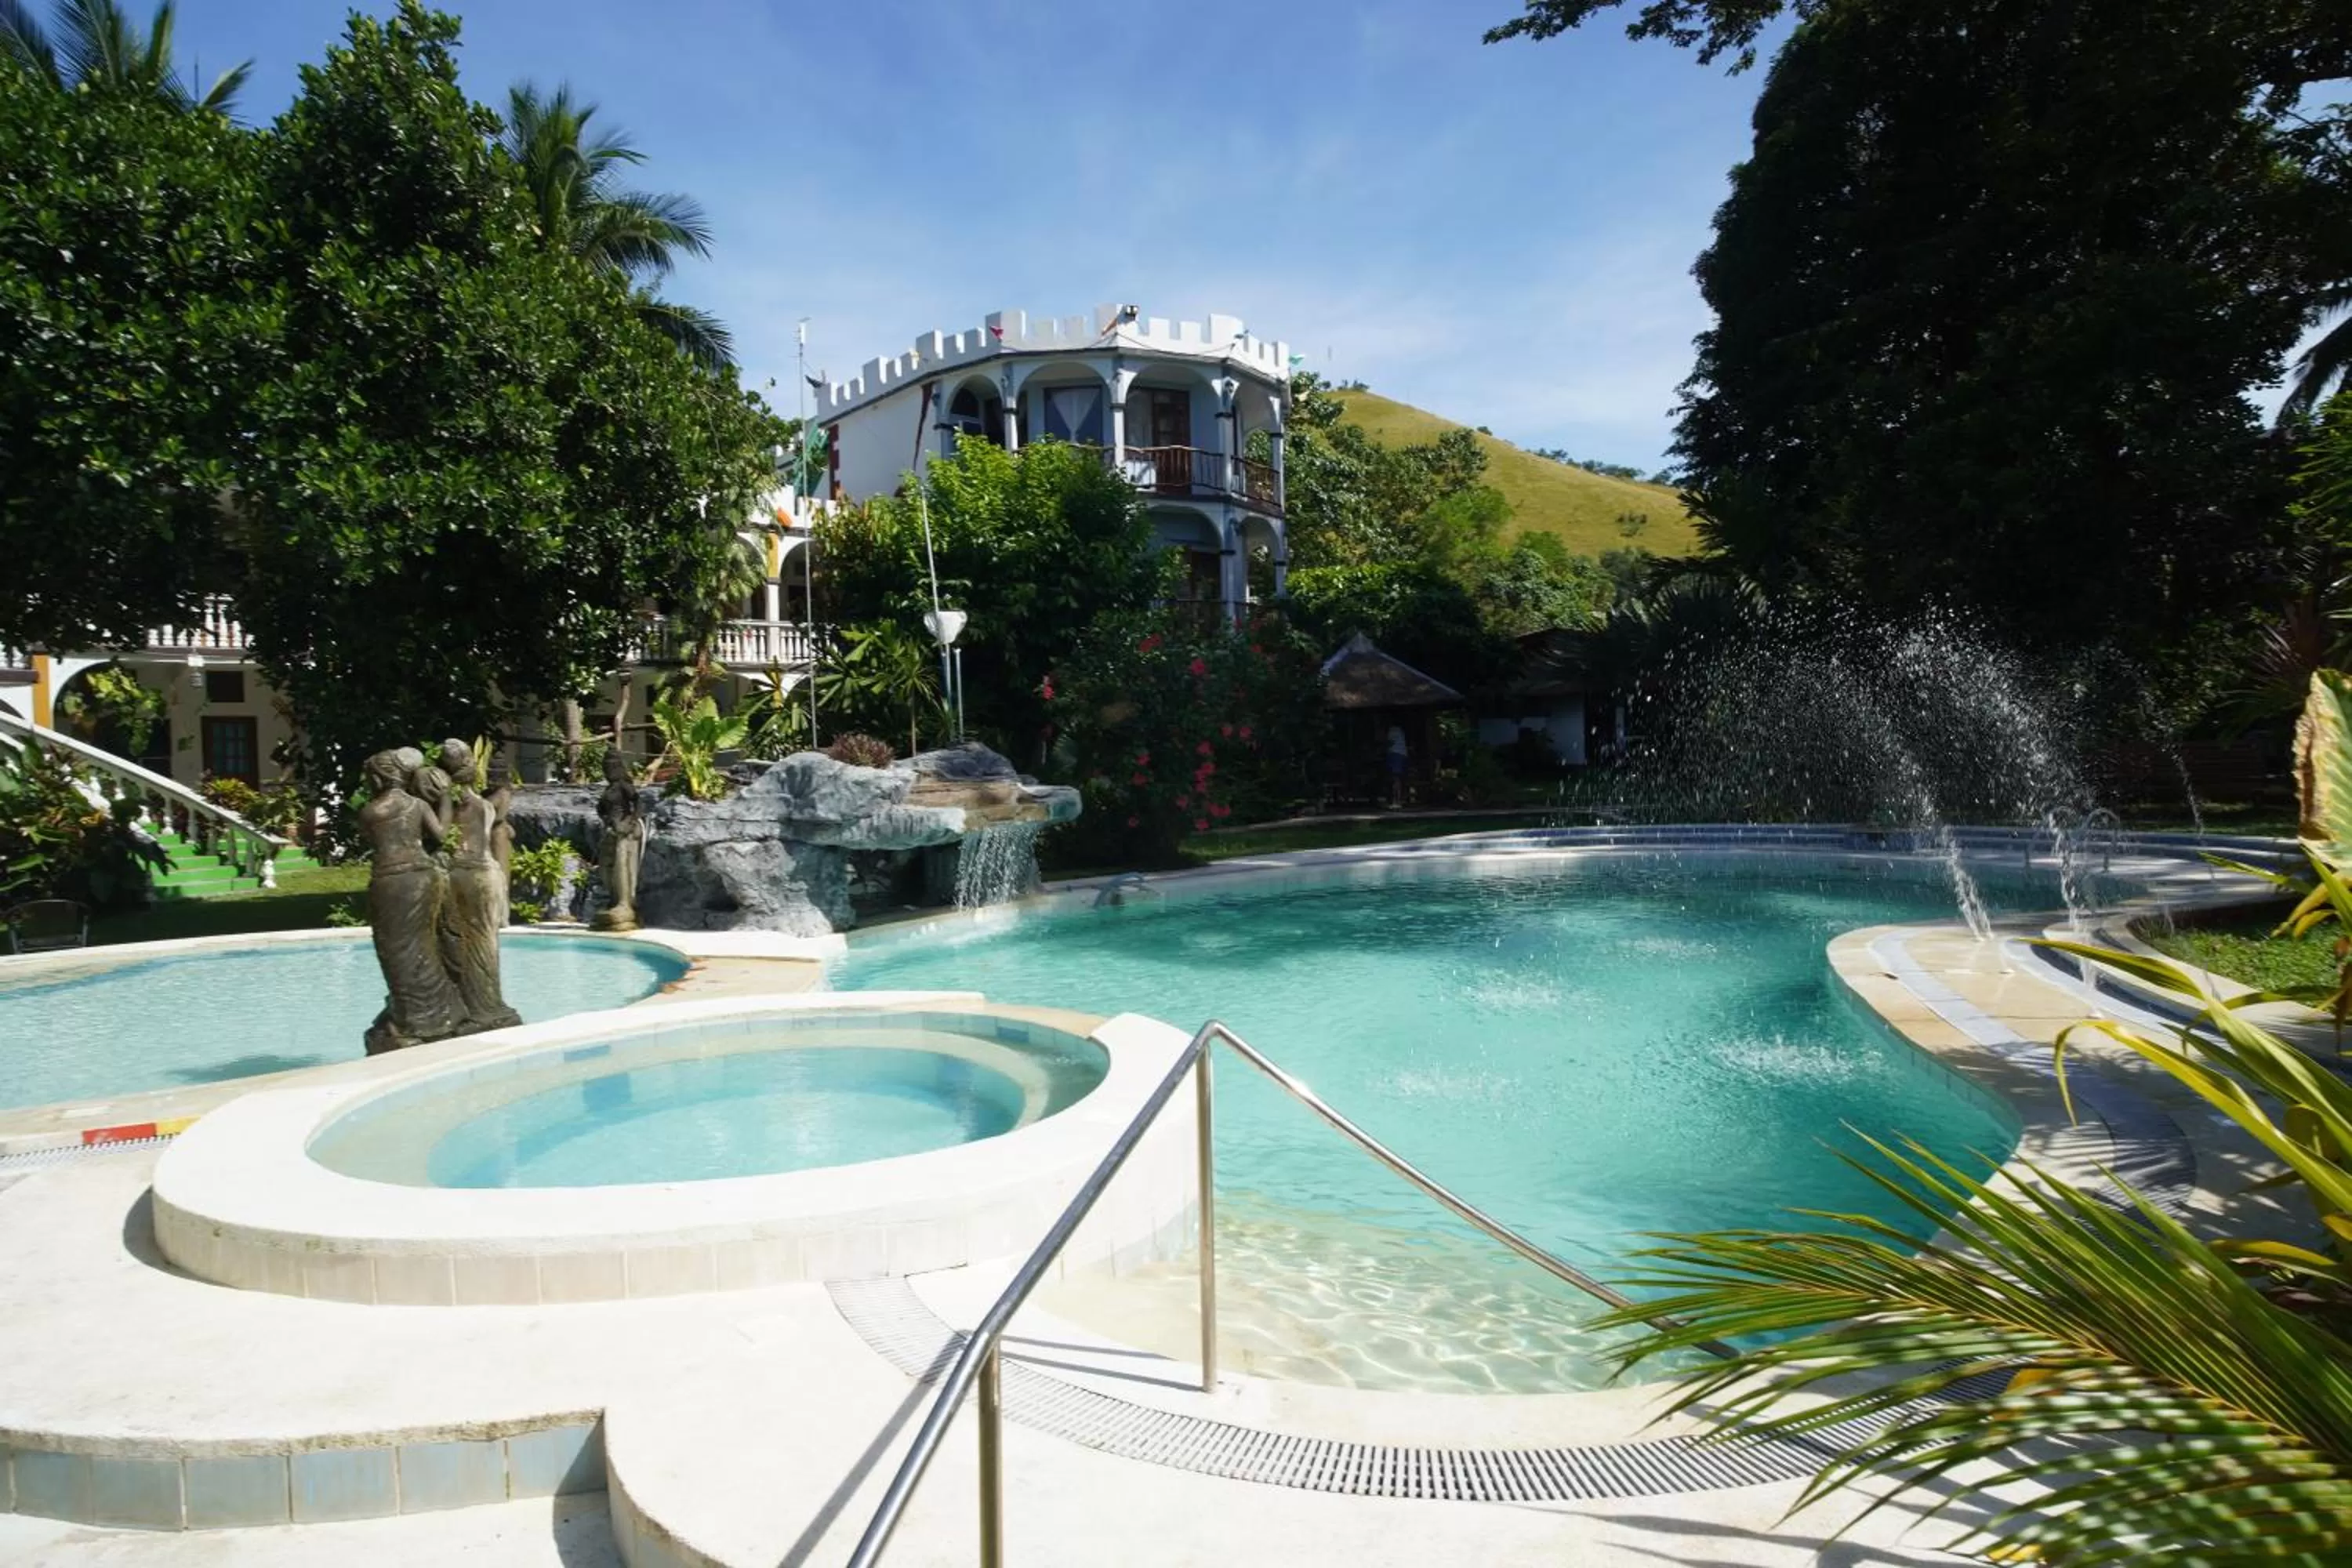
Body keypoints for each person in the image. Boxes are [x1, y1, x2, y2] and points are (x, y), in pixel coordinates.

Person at [357, 748, 463, 1053]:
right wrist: (445, 797)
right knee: (424, 946)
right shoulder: (418, 805)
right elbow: (441, 834)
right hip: (424, 876)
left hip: (392, 881)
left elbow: (373, 840)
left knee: (395, 950)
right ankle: (442, 1014)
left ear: (379, 777)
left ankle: (414, 1019)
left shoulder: (371, 812)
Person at [436, 739, 521, 1032]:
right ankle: (486, 1005)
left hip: (462, 874)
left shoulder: (447, 802)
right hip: (481, 875)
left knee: (465, 942)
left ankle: (475, 1006)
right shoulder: (479, 803)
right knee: (482, 943)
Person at [1386, 723, 1409, 808]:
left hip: (1396, 755)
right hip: (1401, 754)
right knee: (1398, 779)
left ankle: (1396, 801)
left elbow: (1389, 743)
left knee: (1396, 779)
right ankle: (1398, 800)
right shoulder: (1400, 731)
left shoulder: (1393, 730)